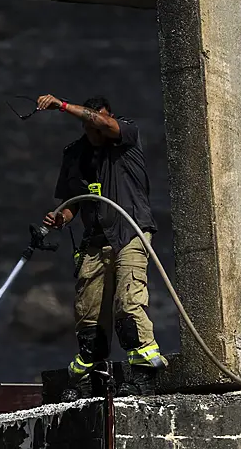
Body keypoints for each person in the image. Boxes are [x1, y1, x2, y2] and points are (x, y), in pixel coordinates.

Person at [37, 93, 167, 398]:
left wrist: (63, 106)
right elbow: (72, 204)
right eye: (92, 123)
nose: (98, 128)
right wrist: (61, 218)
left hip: (129, 232)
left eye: (100, 121)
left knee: (129, 302)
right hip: (95, 242)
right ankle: (89, 379)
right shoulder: (75, 155)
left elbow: (105, 123)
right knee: (89, 312)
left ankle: (143, 376)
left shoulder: (126, 136)